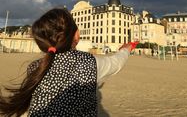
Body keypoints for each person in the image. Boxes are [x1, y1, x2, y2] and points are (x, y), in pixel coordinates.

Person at [0, 8, 135, 117]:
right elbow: (116, 63)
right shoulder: (87, 63)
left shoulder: (34, 67)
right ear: (76, 35)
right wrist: (127, 49)